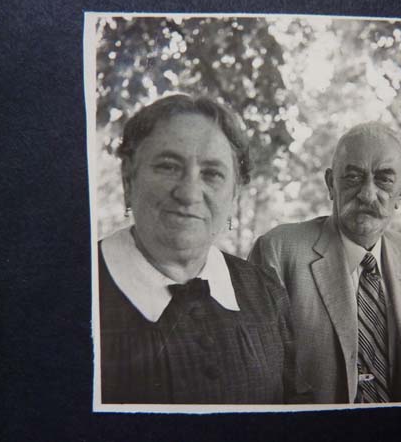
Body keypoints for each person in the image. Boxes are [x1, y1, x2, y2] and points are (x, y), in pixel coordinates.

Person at [98, 94, 310, 404]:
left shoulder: (266, 292)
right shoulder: (77, 290)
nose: (189, 193)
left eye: (212, 174)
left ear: (234, 194)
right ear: (128, 179)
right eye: (168, 166)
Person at [248, 122, 401, 403]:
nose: (367, 194)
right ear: (331, 183)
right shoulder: (278, 251)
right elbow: (260, 377)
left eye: (384, 180)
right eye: (353, 177)